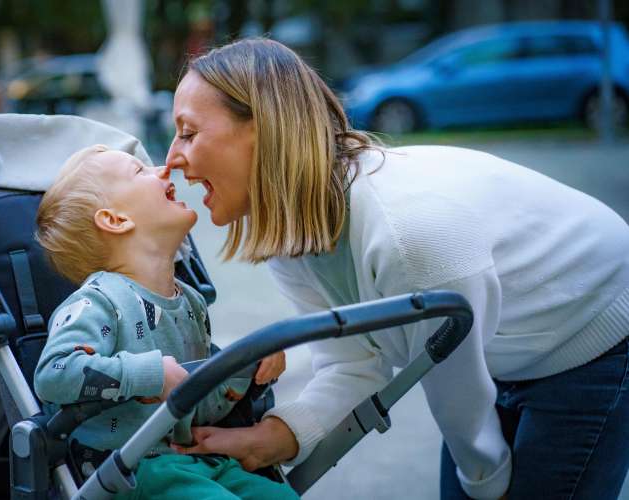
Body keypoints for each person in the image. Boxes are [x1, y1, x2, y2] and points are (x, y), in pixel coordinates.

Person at [164, 38, 629, 500]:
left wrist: (485, 483)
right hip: (512, 344)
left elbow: (458, 394)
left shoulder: (406, 234)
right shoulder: (293, 233)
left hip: (595, 329)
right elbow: (353, 360)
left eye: (188, 132)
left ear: (263, 128)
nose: (171, 159)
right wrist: (280, 435)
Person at [33, 144, 297, 499]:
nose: (162, 169)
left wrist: (245, 367)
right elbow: (54, 373)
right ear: (115, 219)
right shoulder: (97, 301)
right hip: (131, 471)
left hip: (193, 462)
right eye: (139, 171)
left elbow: (200, 408)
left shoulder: (190, 302)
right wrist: (151, 375)